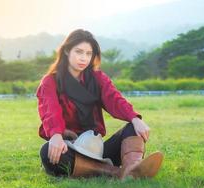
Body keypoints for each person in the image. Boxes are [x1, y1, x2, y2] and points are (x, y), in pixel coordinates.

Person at [36, 29, 163, 179]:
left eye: (88, 54)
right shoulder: (50, 81)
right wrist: (56, 136)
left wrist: (135, 119)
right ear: (66, 51)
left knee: (133, 128)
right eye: (79, 52)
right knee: (47, 152)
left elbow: (115, 100)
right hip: (72, 148)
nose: (83, 58)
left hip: (96, 148)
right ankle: (118, 173)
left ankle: (133, 167)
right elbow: (51, 111)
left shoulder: (98, 78)